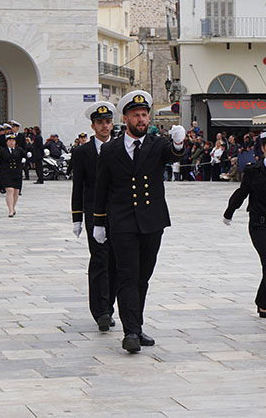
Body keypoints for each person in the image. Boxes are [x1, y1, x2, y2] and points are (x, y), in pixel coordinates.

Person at [93, 90, 186, 353]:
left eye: (145, 115)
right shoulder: (111, 150)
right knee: (127, 276)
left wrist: (178, 144)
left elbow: (174, 155)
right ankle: (130, 331)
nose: (142, 119)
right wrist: (98, 222)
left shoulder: (157, 144)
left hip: (152, 221)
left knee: (143, 277)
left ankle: (137, 324)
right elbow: (102, 187)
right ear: (126, 118)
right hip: (122, 222)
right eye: (137, 115)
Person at [223, 130, 266, 328]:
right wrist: (229, 212)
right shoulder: (254, 170)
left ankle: (262, 301)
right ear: (262, 149)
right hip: (260, 224)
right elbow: (242, 192)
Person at [71, 101, 118, 332]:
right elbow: (78, 186)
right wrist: (76, 217)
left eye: (108, 122)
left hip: (118, 214)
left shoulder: (120, 148)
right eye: (100, 123)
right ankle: (100, 311)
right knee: (99, 259)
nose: (105, 126)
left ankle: (109, 306)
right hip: (93, 214)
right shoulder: (82, 152)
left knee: (116, 262)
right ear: (93, 126)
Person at [0, 134, 27, 217]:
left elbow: (26, 155)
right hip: (6, 173)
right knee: (10, 190)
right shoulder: (3, 151)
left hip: (17, 173)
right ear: (7, 142)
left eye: (13, 141)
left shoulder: (19, 150)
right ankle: (10, 210)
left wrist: (26, 157)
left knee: (16, 192)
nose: (11, 142)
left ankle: (13, 207)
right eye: (10, 141)